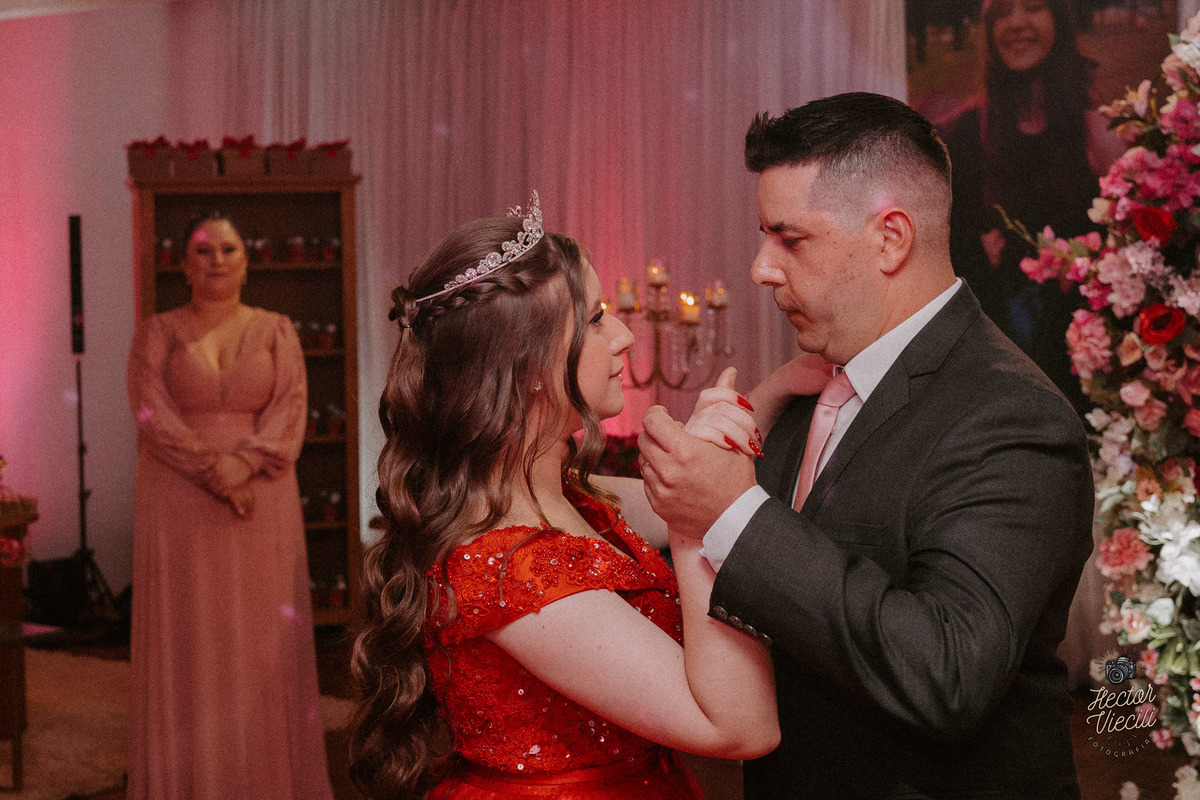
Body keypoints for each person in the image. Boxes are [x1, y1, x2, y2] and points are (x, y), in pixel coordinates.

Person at [638, 93, 1096, 799]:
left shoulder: (1013, 418)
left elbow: (947, 673)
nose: (761, 269)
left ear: (890, 239)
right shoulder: (809, 387)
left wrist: (733, 514)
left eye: (790, 239)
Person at [349, 193, 779, 800]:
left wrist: (783, 387)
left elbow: (670, 489)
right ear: (528, 368)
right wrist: (691, 523)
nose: (624, 336)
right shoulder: (506, 570)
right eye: (596, 319)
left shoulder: (564, 497)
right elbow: (741, 728)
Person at [126, 212, 333, 799]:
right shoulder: (156, 333)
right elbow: (149, 410)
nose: (216, 260)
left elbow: (291, 406)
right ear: (183, 265)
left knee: (261, 640)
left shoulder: (276, 329)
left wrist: (243, 465)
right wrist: (212, 470)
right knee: (190, 639)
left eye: (228, 249)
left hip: (262, 495)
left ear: (246, 262)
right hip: (177, 497)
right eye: (203, 250)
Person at [940, 0, 1124, 409]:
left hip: (1083, 375)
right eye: (1003, 12)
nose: (1017, 23)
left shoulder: (1097, 133)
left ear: (1058, 18)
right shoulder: (961, 136)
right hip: (995, 380)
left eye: (1034, 6)